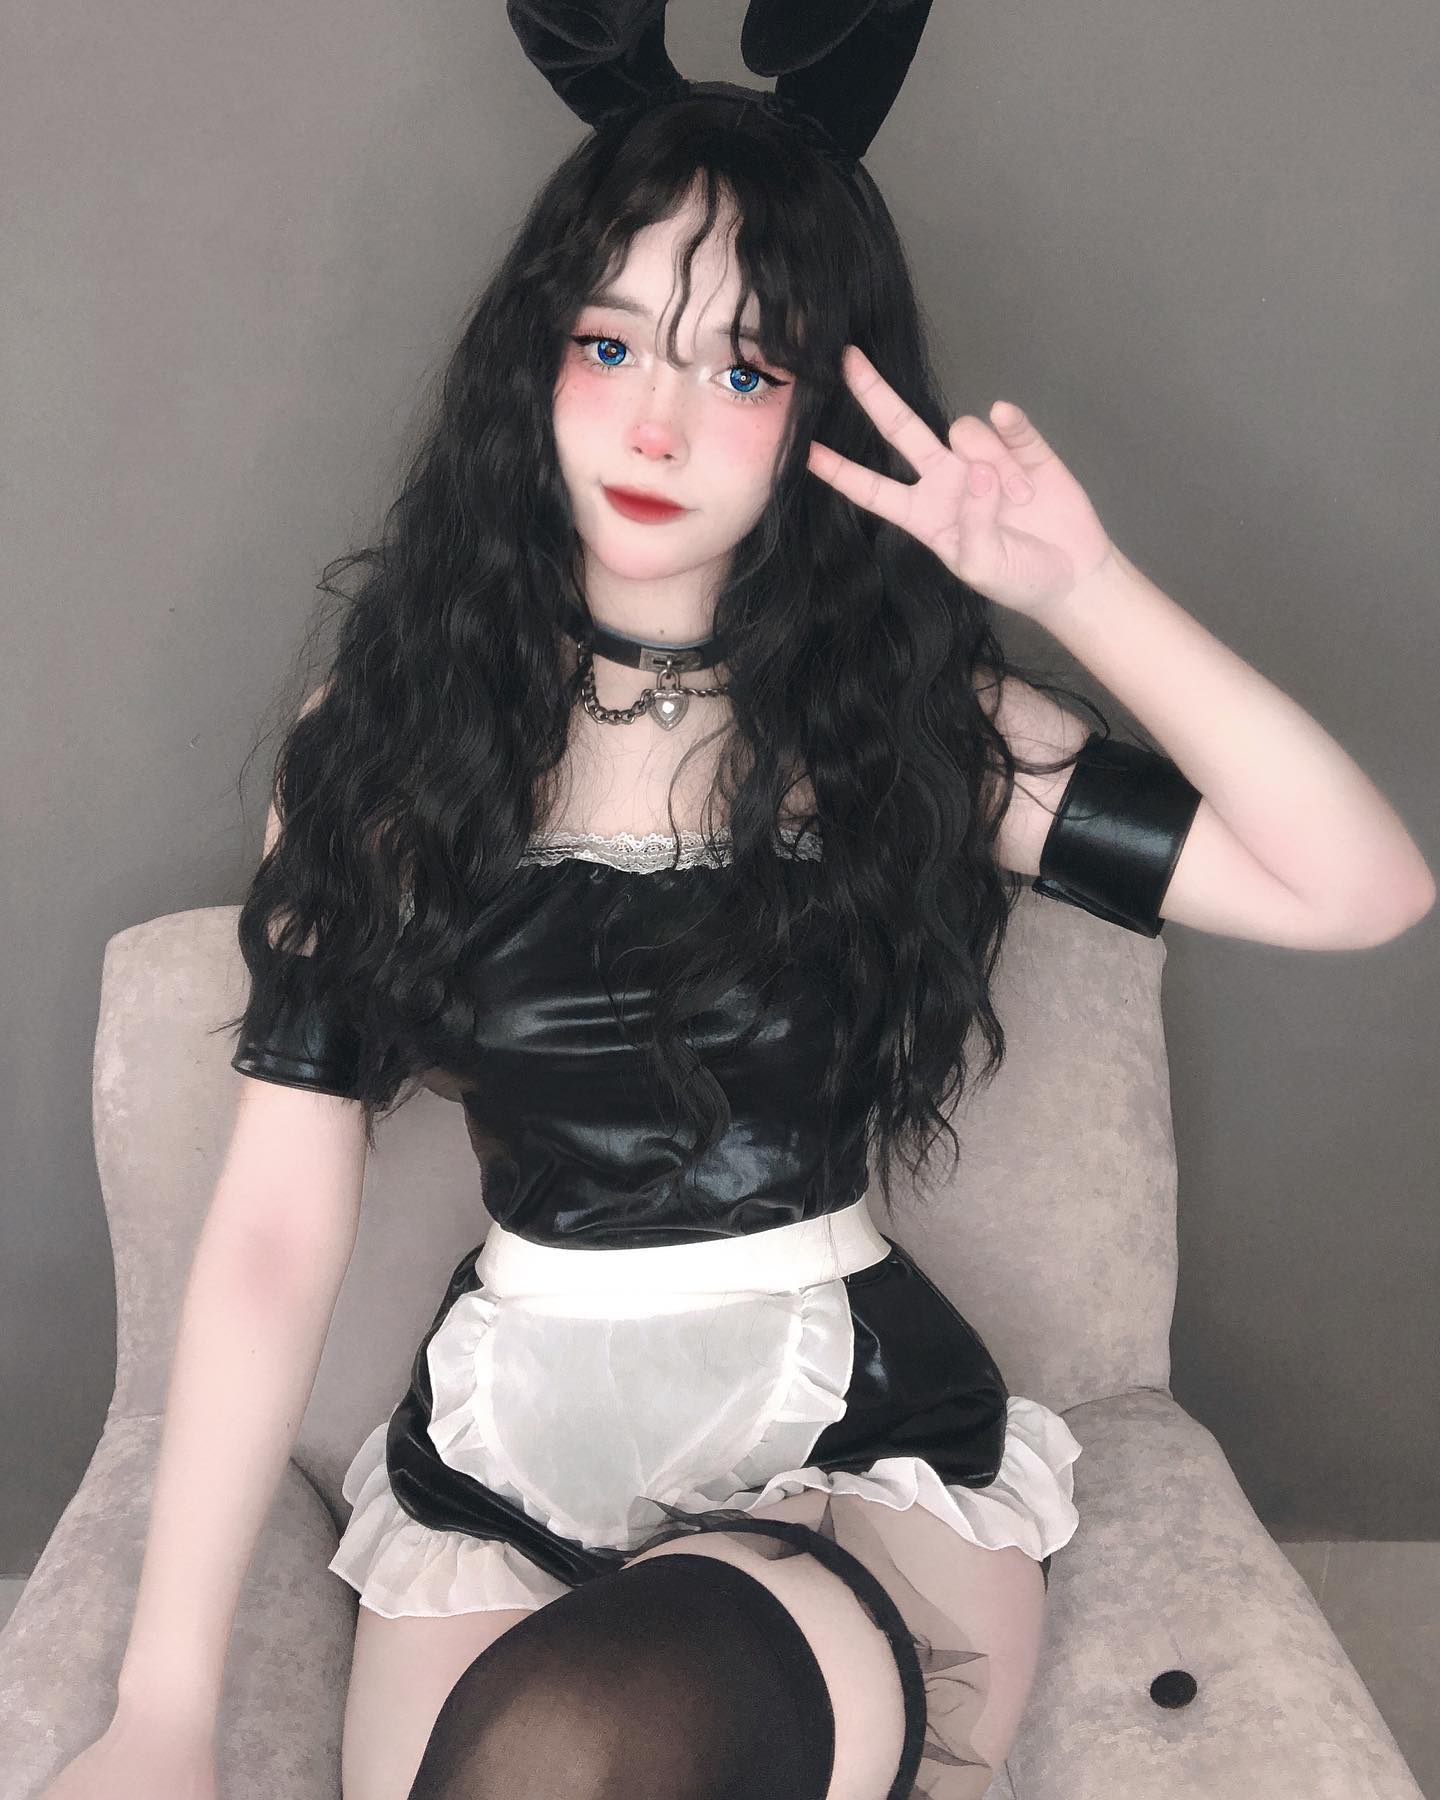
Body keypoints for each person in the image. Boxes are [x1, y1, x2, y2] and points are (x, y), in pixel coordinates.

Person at [45, 4, 1434, 1799]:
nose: (658, 419)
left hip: (847, 1446)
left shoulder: (908, 729)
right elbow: (270, 1227)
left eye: (744, 370)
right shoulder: (383, 741)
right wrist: (162, 1710)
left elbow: (1357, 887)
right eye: (610, 341)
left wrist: (1080, 587)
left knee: (600, 1739)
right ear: (532, 362)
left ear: (824, 410)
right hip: (512, 1436)